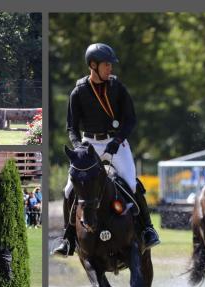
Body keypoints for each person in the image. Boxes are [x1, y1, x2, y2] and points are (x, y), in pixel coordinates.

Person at [53, 42, 160, 256]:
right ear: (93, 65)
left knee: (131, 183)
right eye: (106, 65)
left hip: (116, 142)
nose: (110, 69)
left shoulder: (117, 87)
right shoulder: (79, 91)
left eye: (111, 65)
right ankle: (68, 238)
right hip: (88, 144)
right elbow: (71, 127)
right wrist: (78, 148)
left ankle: (148, 229)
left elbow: (130, 119)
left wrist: (118, 139)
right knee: (68, 190)